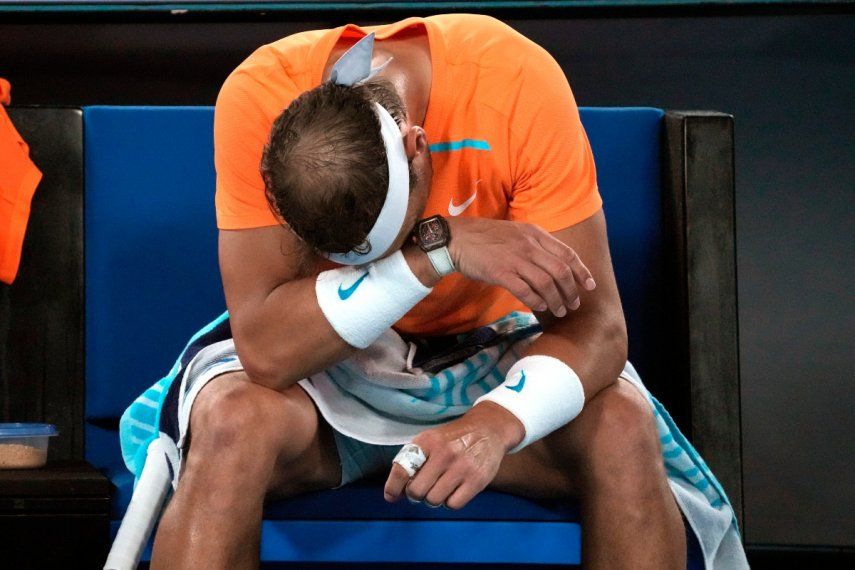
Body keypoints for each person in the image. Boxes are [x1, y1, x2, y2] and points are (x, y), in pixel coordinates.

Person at [130, 13, 746, 569]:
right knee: (230, 421)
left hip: (493, 357)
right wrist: (436, 251)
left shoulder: (513, 80)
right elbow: (265, 350)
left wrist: (495, 424)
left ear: (418, 148)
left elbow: (598, 328)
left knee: (623, 427)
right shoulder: (258, 94)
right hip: (325, 370)